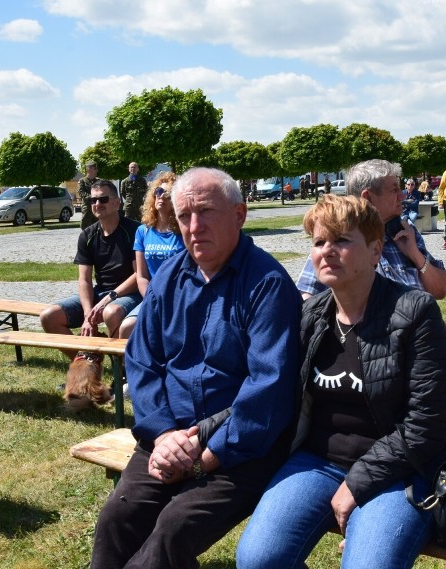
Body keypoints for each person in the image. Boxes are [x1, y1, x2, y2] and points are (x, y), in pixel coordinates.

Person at [236, 195, 446, 569]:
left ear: (375, 250)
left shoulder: (416, 313)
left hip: (401, 471)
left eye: (342, 241)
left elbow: (428, 426)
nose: (327, 251)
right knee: (258, 560)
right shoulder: (311, 315)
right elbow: (268, 386)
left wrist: (356, 483)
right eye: (319, 243)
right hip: (317, 462)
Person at [90, 167, 301, 568]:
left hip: (239, 449)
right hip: (168, 436)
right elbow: (142, 359)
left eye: (205, 212)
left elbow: (269, 388)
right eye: (184, 215)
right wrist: (165, 434)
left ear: (239, 215)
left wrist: (205, 457)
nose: (193, 226)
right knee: (117, 519)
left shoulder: (267, 284)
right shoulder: (170, 275)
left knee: (173, 528)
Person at [296, 159, 446, 300]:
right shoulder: (337, 240)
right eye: (394, 190)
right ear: (368, 197)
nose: (402, 197)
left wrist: (415, 255)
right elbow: (307, 300)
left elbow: (440, 290)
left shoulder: (405, 230)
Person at [40, 180, 141, 352]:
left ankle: (121, 368)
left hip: (130, 294)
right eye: (93, 200)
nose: (97, 204)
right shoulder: (87, 235)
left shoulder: (135, 231)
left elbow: (139, 274)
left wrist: (109, 298)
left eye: (103, 199)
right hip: (100, 292)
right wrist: (88, 315)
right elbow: (84, 280)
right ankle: (87, 361)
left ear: (117, 202)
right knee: (49, 317)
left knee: (112, 312)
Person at [118, 172, 186, 340]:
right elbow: (141, 276)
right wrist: (152, 299)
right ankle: (127, 366)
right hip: (153, 296)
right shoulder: (143, 231)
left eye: (167, 194)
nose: (161, 196)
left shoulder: (184, 231)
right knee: (126, 328)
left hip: (180, 297)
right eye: (158, 192)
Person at [78, 160, 100, 229]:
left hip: (97, 206)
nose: (96, 171)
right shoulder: (82, 181)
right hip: (87, 207)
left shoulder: (99, 181)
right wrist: (92, 197)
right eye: (94, 169)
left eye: (96, 169)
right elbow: (81, 192)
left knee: (98, 226)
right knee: (85, 226)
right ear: (89, 170)